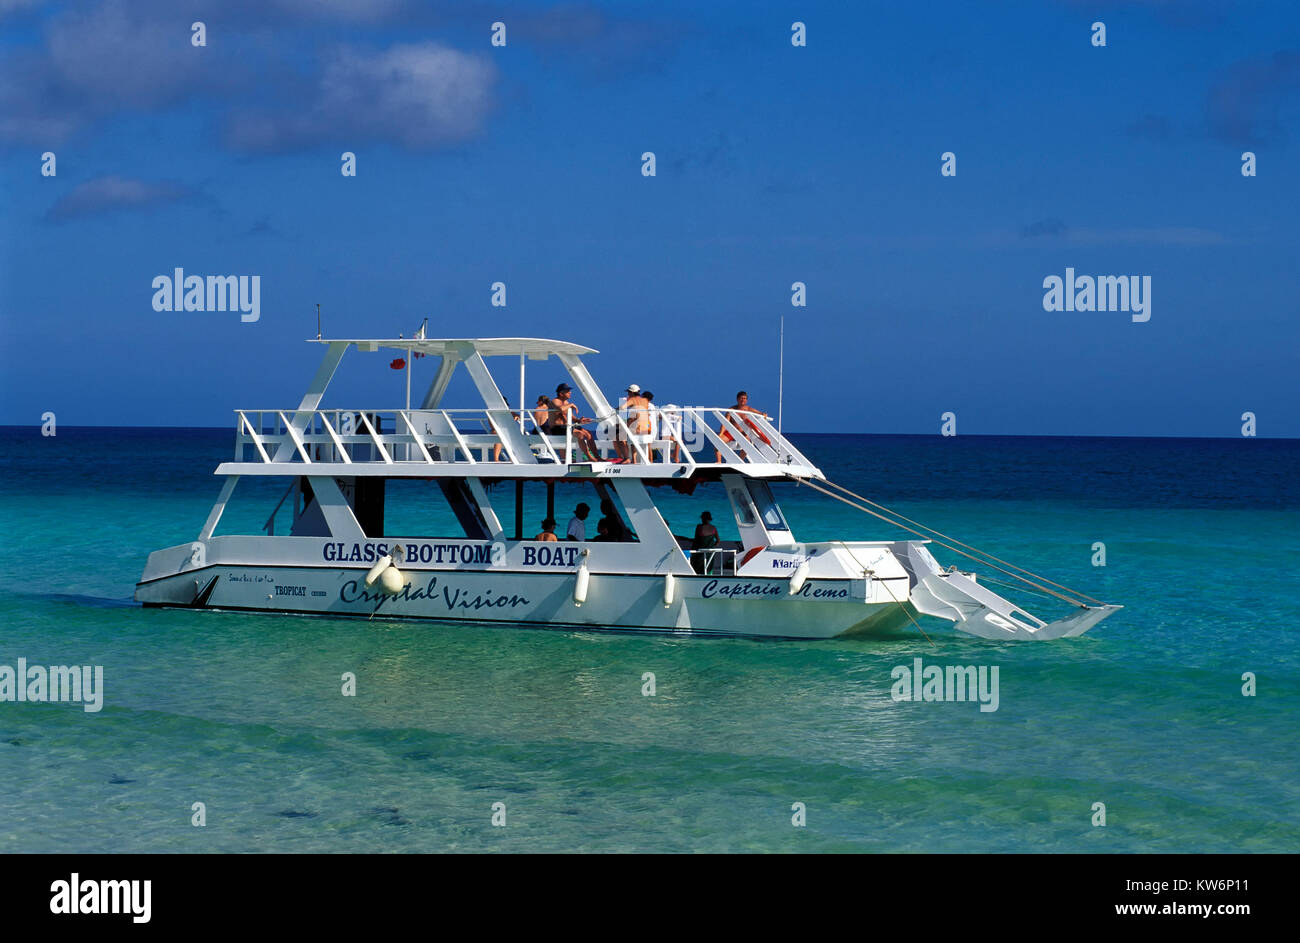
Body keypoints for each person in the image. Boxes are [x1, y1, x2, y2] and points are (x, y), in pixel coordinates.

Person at [549, 383, 601, 462]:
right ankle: (590, 458)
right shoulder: (555, 401)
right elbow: (561, 409)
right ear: (561, 393)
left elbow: (572, 418)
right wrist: (571, 404)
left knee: (588, 434)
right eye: (567, 391)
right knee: (580, 434)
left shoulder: (566, 403)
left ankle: (597, 457)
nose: (570, 393)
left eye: (569, 391)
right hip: (557, 428)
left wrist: (579, 420)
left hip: (567, 427)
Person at [717, 390, 770, 462]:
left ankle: (739, 461)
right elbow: (725, 423)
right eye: (741, 398)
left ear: (747, 400)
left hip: (743, 433)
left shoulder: (748, 409)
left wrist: (764, 414)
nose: (743, 400)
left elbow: (760, 413)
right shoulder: (731, 409)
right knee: (718, 442)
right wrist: (721, 433)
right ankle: (719, 462)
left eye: (745, 398)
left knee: (748, 447)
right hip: (732, 432)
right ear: (737, 399)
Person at [617, 384, 652, 463]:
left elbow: (622, 408)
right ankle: (634, 460)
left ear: (632, 392)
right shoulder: (645, 400)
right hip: (647, 428)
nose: (628, 394)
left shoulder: (632, 400)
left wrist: (615, 410)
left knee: (619, 437)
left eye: (628, 392)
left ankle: (627, 458)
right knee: (632, 437)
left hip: (638, 428)